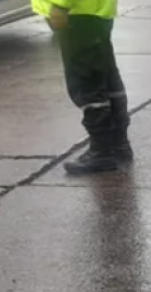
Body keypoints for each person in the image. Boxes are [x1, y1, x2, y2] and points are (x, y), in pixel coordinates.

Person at [38, 0, 132, 174]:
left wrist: (60, 4)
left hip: (75, 11)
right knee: (105, 74)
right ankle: (118, 144)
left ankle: (103, 150)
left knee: (86, 81)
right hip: (91, 10)